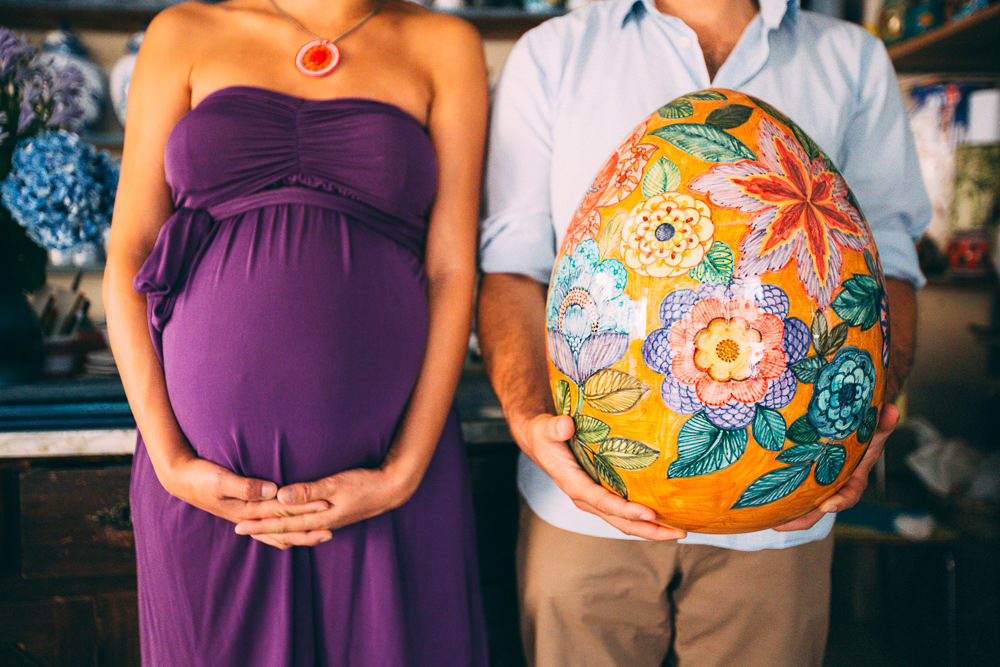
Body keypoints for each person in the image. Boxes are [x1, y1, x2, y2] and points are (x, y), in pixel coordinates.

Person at [477, 0, 930, 665]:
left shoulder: (853, 60)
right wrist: (525, 417)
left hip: (785, 505)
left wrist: (865, 427)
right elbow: (512, 267)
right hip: (583, 497)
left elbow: (887, 265)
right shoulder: (553, 52)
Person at [103, 0, 488, 664]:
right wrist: (170, 463)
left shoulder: (444, 45)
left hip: (392, 482)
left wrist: (401, 473)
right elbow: (129, 254)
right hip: (206, 490)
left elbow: (453, 267)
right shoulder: (182, 32)